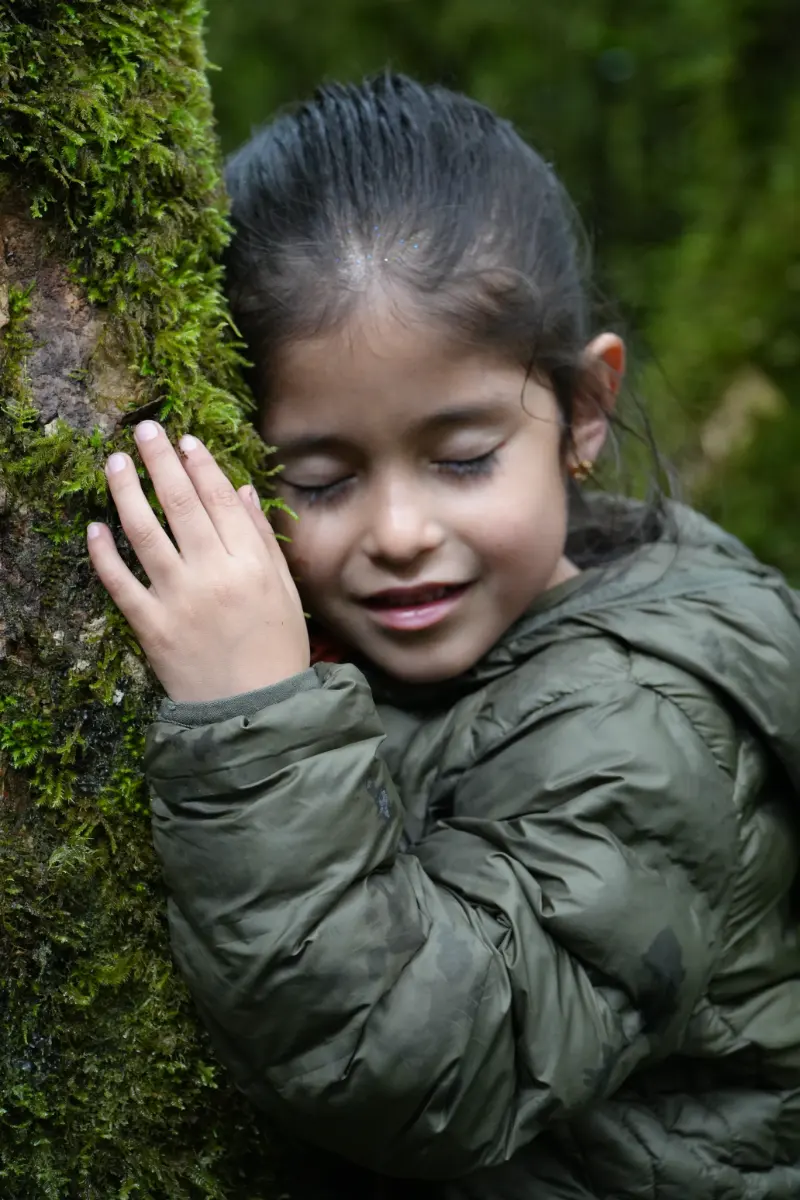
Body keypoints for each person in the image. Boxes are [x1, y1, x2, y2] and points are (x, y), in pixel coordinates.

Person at [87, 74, 800, 1198]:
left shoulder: (647, 726)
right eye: (317, 479)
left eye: (461, 460)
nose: (400, 533)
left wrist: (253, 726)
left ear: (579, 412)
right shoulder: (419, 640)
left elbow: (426, 1069)